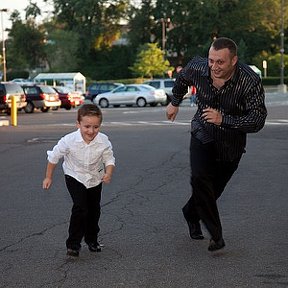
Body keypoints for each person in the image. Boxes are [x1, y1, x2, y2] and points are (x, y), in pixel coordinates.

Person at [166, 37, 267, 252]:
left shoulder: (250, 80)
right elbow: (182, 79)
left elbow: (258, 120)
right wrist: (174, 102)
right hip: (203, 132)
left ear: (234, 60)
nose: (214, 67)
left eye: (220, 62)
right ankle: (216, 236)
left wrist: (224, 120)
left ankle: (191, 213)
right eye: (212, 60)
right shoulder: (198, 67)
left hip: (232, 142)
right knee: (200, 178)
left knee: (214, 190)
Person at [42, 104, 115, 257]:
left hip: (95, 178)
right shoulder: (69, 140)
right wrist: (48, 177)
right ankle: (73, 244)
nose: (91, 131)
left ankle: (91, 239)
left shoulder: (103, 141)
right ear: (78, 124)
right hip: (74, 175)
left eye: (96, 127)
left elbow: (109, 158)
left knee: (94, 210)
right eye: (87, 126)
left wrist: (108, 173)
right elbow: (54, 157)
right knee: (81, 208)